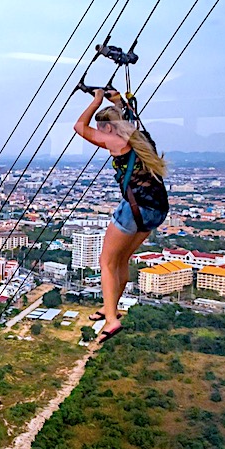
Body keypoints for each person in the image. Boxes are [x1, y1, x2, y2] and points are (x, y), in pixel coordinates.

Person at [73, 88, 169, 343]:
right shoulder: (141, 138)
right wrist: (117, 101)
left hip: (133, 210)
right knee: (123, 258)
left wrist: (95, 100)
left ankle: (111, 319)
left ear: (108, 128)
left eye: (101, 128)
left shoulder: (116, 142)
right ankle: (110, 305)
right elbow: (131, 118)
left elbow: (79, 127)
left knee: (106, 262)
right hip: (156, 211)